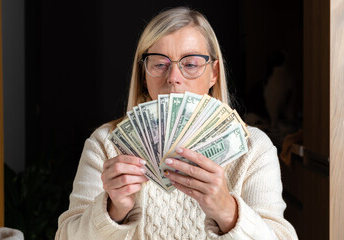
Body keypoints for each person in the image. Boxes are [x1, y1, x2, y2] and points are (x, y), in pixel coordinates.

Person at [55, 7, 298, 240]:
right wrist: (113, 209)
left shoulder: (253, 147)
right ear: (144, 74)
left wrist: (228, 211)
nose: (173, 78)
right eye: (159, 64)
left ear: (213, 73)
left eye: (190, 64)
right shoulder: (106, 144)